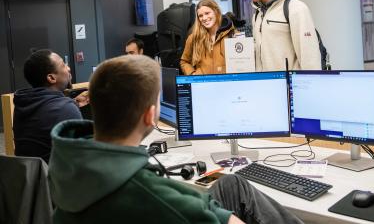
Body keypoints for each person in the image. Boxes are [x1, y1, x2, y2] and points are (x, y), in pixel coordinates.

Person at [48, 55, 304, 224]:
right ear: (150, 115)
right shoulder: (157, 198)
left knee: (232, 184)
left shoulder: (68, 168)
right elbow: (174, 205)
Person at [241, 0, 321, 71]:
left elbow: (309, 55)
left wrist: (310, 84)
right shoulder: (257, 15)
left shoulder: (295, 8)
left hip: (290, 84)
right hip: (266, 84)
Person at [13, 49, 87, 163]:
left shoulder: (24, 104)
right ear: (51, 78)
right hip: (56, 178)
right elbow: (83, 156)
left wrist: (74, 103)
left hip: (30, 176)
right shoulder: (65, 108)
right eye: (63, 65)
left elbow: (46, 116)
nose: (68, 68)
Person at [180, 0, 235, 75]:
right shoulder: (193, 38)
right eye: (200, 16)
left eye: (207, 13)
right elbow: (184, 61)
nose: (204, 18)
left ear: (216, 11)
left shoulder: (232, 35)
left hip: (226, 83)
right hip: (203, 84)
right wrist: (193, 74)